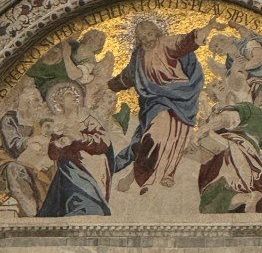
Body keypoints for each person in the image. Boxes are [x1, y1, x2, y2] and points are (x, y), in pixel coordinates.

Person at [108, 16, 227, 194]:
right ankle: (137, 174)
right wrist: (108, 86)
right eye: (143, 37)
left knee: (176, 137)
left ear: (156, 32)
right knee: (156, 133)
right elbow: (128, 76)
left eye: (149, 34)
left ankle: (167, 172)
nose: (147, 39)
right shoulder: (139, 56)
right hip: (156, 100)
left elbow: (187, 41)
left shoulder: (166, 43)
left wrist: (209, 27)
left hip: (181, 97)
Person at [37, 80, 114, 217]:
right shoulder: (58, 126)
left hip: (89, 164)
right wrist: (59, 143)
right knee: (65, 170)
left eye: (76, 95)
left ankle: (86, 206)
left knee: (70, 171)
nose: (75, 97)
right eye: (69, 95)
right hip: (68, 166)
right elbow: (53, 154)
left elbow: (104, 142)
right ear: (60, 102)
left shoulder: (87, 120)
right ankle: (74, 207)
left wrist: (80, 137)